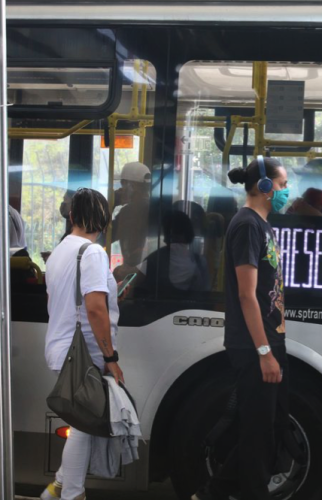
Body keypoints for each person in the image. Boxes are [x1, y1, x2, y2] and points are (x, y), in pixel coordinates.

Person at [195, 156, 290, 500]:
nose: (285, 192)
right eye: (281, 185)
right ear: (265, 187)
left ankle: (213, 494)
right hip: (254, 345)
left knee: (267, 429)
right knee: (257, 433)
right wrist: (264, 352)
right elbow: (247, 295)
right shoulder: (248, 225)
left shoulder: (261, 224)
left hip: (267, 340)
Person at [41, 188, 125, 500]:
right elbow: (94, 308)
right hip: (82, 353)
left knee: (83, 421)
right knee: (85, 424)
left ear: (73, 216)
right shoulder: (92, 253)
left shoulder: (61, 251)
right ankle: (71, 494)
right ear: (104, 220)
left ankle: (59, 488)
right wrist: (111, 356)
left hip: (60, 347)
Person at [140, 210, 211, 297]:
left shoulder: (153, 259)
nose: (176, 244)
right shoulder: (200, 262)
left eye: (177, 235)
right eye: (173, 237)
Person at [111, 161, 151, 281]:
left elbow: (104, 236)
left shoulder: (129, 212)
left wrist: (111, 204)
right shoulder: (154, 208)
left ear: (133, 186)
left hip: (135, 277)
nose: (120, 190)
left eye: (123, 184)